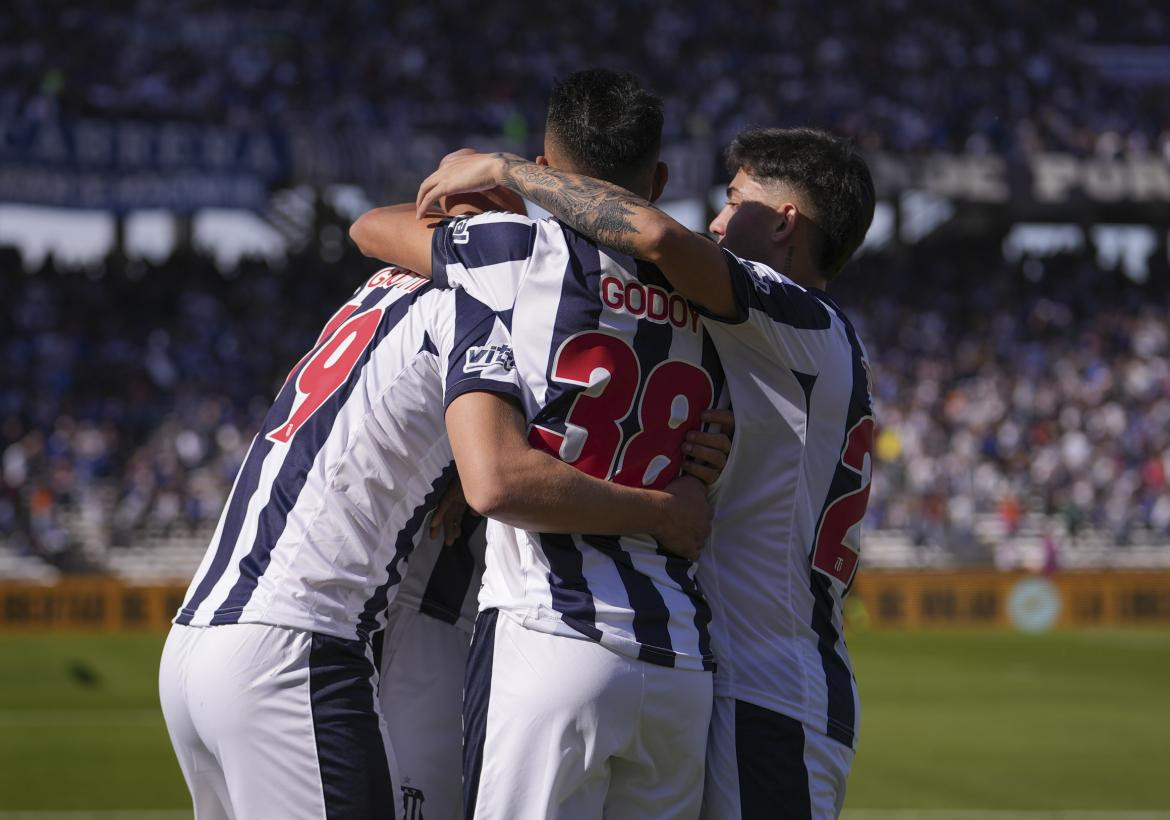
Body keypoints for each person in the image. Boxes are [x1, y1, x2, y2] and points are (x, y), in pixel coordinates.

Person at [158, 246, 723, 818]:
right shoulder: (473, 304)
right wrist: (661, 509)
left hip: (197, 636)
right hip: (298, 646)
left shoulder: (367, 297)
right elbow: (499, 480)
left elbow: (365, 230)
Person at [415, 126, 877, 819]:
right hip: (749, 682)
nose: (716, 222)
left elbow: (657, 239)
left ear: (785, 224)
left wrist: (508, 170)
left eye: (735, 200)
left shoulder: (796, 316)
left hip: (768, 699)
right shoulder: (788, 343)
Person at [349, 68, 732, 819]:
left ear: (547, 171)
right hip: (681, 658)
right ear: (656, 178)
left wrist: (503, 188)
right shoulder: (718, 295)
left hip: (552, 634)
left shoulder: (513, 250)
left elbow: (370, 227)